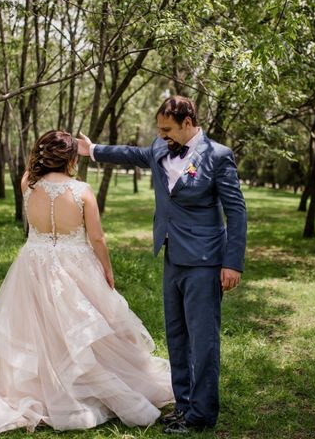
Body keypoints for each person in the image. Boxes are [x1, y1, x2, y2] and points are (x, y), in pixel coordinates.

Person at [0, 130, 174, 439]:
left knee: (35, 327)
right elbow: (97, 238)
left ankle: (36, 386)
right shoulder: (82, 191)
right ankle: (79, 384)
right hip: (75, 264)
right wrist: (107, 269)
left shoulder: (26, 183)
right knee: (84, 327)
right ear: (72, 159)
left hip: (33, 264)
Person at [78, 95, 247, 434]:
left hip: (204, 262)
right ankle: (183, 407)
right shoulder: (160, 148)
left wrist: (233, 263)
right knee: (177, 336)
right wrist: (93, 150)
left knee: (203, 341)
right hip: (172, 258)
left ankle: (202, 415)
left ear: (188, 123)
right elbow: (133, 153)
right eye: (159, 130)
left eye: (168, 129)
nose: (162, 135)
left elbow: (237, 212)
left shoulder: (218, 156)